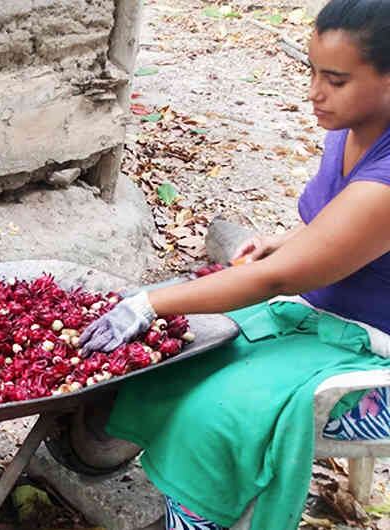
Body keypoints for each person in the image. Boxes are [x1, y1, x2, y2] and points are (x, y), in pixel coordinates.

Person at [80, 1, 390, 528]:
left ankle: (206, 515)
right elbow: (332, 228)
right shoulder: (350, 121)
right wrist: (282, 242)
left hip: (373, 356)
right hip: (317, 316)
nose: (314, 92)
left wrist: (148, 302)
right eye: (311, 71)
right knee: (176, 358)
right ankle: (181, 493)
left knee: (217, 416)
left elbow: (276, 280)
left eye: (335, 80)